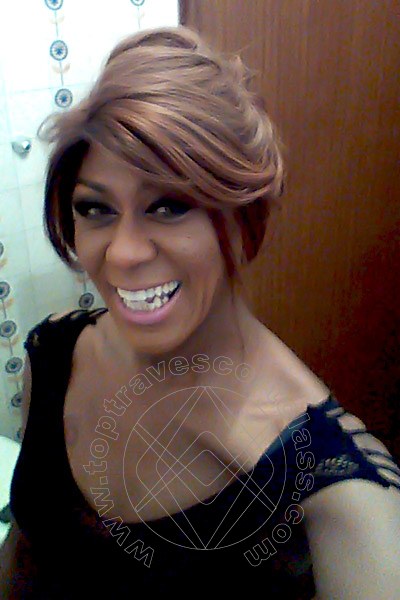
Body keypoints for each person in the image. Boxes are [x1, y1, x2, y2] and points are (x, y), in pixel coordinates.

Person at [1, 25, 400, 599]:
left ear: (245, 216)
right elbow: (29, 543)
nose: (122, 253)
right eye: (95, 209)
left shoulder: (335, 490)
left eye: (169, 205)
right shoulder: (54, 354)